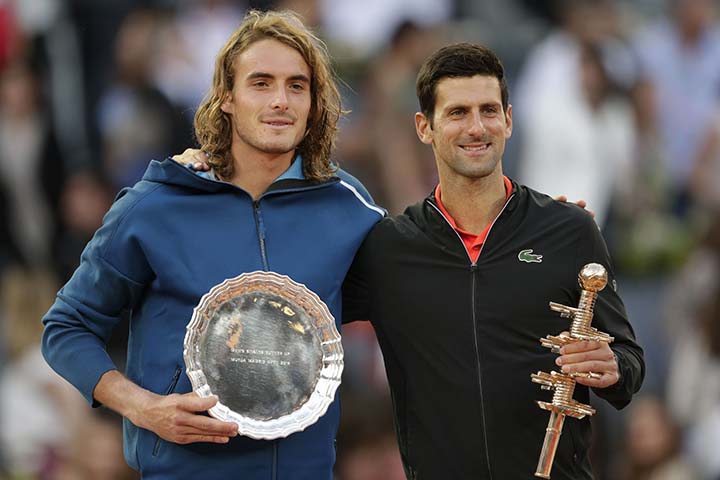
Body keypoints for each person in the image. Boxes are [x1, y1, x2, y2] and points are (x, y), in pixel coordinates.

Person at [40, 10, 383, 480]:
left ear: (314, 102)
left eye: (296, 86)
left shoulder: (350, 207)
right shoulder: (157, 206)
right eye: (260, 83)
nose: (280, 101)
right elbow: (66, 326)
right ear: (226, 98)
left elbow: (415, 294)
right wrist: (143, 408)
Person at [340, 43, 644, 479]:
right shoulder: (388, 248)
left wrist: (612, 366)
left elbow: (628, 362)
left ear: (509, 120)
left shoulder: (570, 230)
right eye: (458, 112)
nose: (477, 127)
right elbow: (305, 321)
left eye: (488, 110)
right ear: (425, 127)